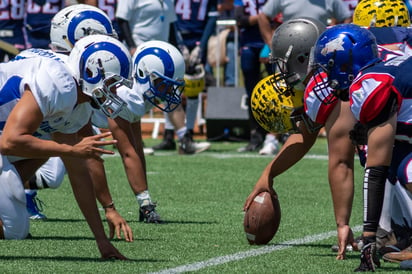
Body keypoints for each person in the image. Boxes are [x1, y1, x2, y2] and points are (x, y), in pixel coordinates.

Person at [26, 4, 169, 223]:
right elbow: (109, 151)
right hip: (18, 124)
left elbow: (132, 146)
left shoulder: (69, 68)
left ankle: (16, 189)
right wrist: (111, 208)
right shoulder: (66, 78)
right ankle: (19, 191)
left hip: (39, 123)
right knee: (50, 172)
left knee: (54, 163)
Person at [0, 34, 133, 259]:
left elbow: (79, 174)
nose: (116, 92)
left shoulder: (78, 105)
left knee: (17, 227)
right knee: (14, 229)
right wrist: (70, 150)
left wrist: (101, 241)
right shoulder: (59, 83)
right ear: (92, 73)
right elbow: (10, 142)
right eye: (113, 83)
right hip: (5, 139)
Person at [243, 17, 362, 260]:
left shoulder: (335, 82)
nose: (282, 73)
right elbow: (305, 136)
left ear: (302, 59)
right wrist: (269, 173)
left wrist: (342, 224)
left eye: (283, 64)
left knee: (388, 165)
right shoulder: (336, 67)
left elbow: (341, 162)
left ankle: (389, 233)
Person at [309, 23, 412, 271]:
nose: (327, 76)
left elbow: (375, 170)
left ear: (347, 63)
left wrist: (368, 240)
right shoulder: (385, 69)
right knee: (401, 161)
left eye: (330, 67)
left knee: (407, 169)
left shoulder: (371, 85)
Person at [152, 0, 217, 154]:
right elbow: (171, 18)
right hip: (176, 38)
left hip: (198, 38)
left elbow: (212, 17)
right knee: (171, 86)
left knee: (194, 87)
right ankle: (169, 134)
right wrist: (179, 43)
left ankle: (188, 133)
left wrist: (201, 45)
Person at [233, 0, 280, 155]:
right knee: (251, 92)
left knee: (278, 90)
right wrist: (261, 18)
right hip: (249, 44)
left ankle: (279, 131)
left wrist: (256, 19)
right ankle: (256, 134)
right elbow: (240, 20)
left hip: (271, 43)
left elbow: (280, 18)